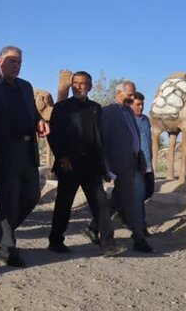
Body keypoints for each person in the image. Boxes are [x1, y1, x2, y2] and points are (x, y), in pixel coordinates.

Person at [47, 71, 125, 256]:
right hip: (69, 165)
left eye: (83, 83)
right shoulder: (61, 107)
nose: (78, 86)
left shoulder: (96, 108)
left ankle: (108, 244)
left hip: (91, 165)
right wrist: (62, 157)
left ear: (90, 86)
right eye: (75, 83)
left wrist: (104, 167)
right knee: (64, 204)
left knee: (101, 205)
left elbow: (99, 139)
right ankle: (55, 241)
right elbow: (54, 135)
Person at [0, 46, 49, 268]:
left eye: (19, 62)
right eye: (12, 61)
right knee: (7, 200)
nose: (17, 66)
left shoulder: (25, 87)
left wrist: (39, 121)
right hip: (4, 151)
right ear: (0, 61)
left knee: (31, 195)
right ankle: (7, 248)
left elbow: (33, 113)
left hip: (27, 151)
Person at [100, 80, 153, 253]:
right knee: (133, 199)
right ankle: (138, 237)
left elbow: (134, 137)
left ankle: (95, 226)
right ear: (118, 94)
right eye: (129, 95)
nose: (132, 98)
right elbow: (103, 141)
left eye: (133, 94)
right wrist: (106, 166)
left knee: (129, 198)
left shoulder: (129, 113)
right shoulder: (108, 113)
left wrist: (142, 159)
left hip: (134, 162)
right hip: (118, 164)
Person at [130, 91, 154, 236]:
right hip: (135, 165)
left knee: (148, 191)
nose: (141, 107)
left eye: (142, 104)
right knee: (138, 196)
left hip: (148, 164)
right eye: (138, 104)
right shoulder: (127, 120)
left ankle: (125, 211)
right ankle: (140, 227)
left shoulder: (146, 120)